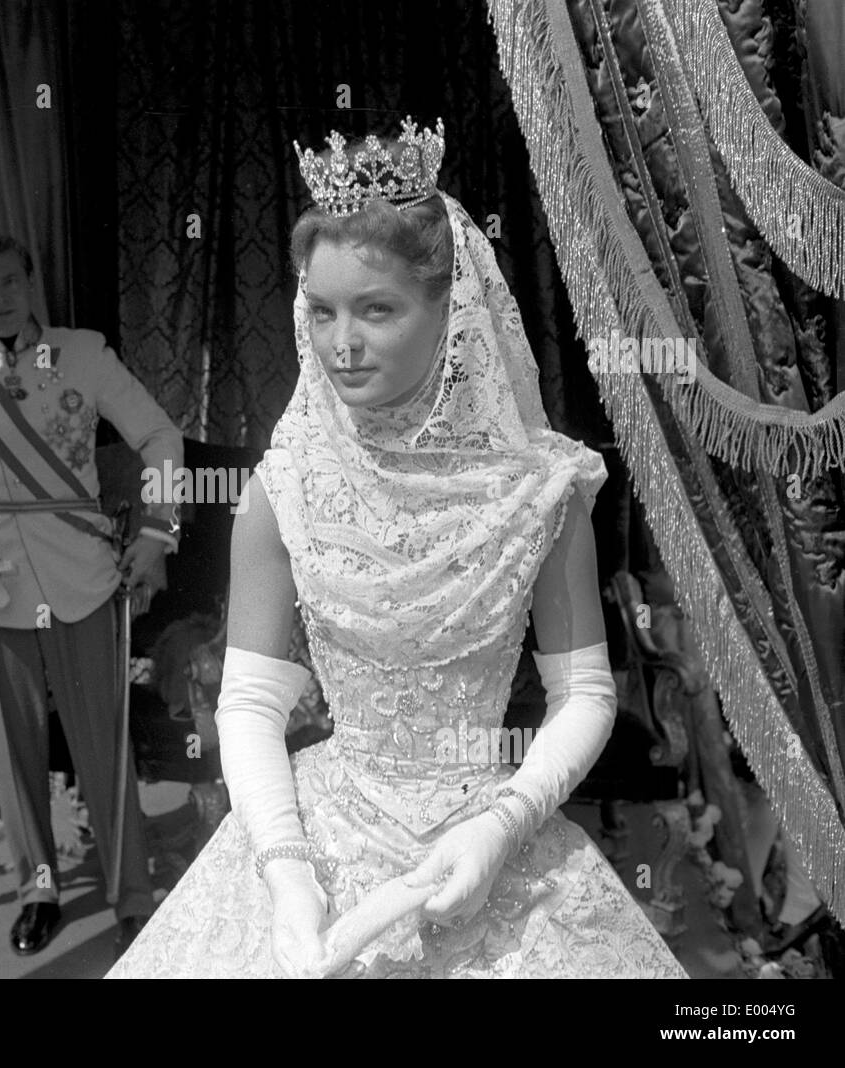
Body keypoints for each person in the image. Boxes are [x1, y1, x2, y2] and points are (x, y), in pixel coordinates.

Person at [109, 119, 688, 978]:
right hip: (318, 836)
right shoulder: (285, 488)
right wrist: (288, 870)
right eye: (322, 310)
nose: (340, 344)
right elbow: (249, 705)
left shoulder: (543, 489)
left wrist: (505, 823)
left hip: (489, 829)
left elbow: (586, 692)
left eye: (376, 309)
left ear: (452, 313)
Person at [0, 230, 184, 957]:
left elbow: (159, 437)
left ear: (30, 284)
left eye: (7, 283)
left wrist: (156, 535)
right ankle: (39, 886)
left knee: (103, 746)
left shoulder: (83, 354)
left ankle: (131, 892)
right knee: (14, 753)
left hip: (83, 578)